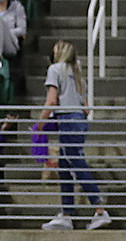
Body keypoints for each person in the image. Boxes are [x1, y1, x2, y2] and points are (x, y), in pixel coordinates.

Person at [39, 40, 108, 230]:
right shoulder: (77, 74)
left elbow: (51, 101)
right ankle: (67, 213)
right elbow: (86, 108)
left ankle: (100, 208)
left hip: (68, 121)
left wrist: (39, 123)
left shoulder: (55, 69)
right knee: (65, 165)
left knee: (76, 162)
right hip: (80, 121)